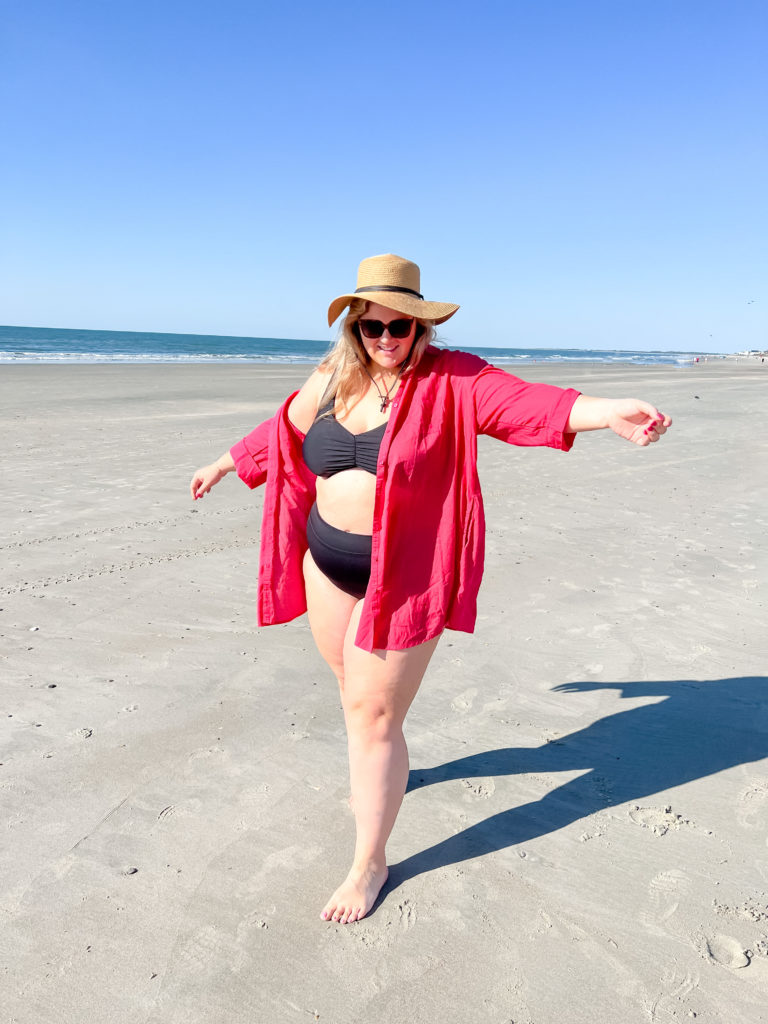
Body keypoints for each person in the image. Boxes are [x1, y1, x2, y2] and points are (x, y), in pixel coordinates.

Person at [189, 253, 672, 924]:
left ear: (421, 328)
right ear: (353, 329)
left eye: (400, 328)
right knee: (354, 695)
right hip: (324, 563)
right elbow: (287, 430)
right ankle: (385, 769)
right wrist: (226, 462)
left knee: (375, 714)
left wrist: (606, 410)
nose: (386, 340)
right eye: (371, 328)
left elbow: (527, 404)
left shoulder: (455, 378)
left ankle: (370, 863)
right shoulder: (333, 376)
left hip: (406, 578)